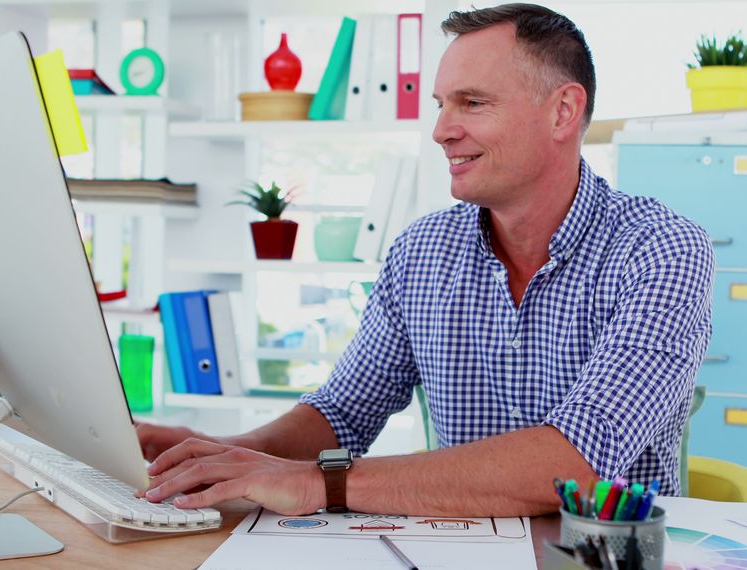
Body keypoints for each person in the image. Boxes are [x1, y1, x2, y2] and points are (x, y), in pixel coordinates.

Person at [138, 3, 713, 517]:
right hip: (460, 550)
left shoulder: (661, 250)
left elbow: (577, 462)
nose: (441, 130)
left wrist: (324, 483)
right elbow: (343, 413)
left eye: (473, 103)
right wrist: (222, 453)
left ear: (563, 112)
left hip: (604, 557)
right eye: (441, 104)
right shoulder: (422, 252)